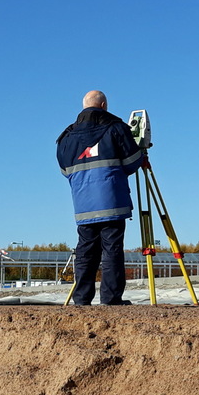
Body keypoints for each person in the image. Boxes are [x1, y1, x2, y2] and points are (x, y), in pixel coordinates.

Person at [56, 90, 143, 305]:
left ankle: (82, 299)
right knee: (111, 250)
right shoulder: (116, 128)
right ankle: (111, 300)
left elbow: (65, 171)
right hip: (112, 201)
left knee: (85, 252)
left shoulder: (66, 137)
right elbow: (133, 161)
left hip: (83, 204)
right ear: (103, 105)